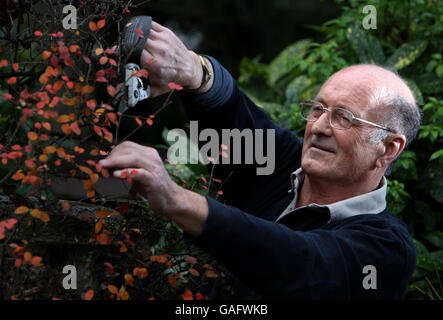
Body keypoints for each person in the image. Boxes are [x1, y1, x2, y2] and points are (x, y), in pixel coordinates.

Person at [98, 20, 421, 299]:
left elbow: (299, 264)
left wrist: (176, 199)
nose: (319, 127)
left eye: (344, 118)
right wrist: (193, 72)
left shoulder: (386, 250)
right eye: (318, 109)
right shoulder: (286, 164)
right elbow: (235, 120)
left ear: (389, 148)